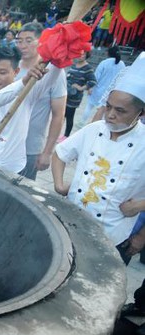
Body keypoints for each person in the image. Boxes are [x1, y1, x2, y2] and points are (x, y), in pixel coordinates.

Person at [52, 65, 144, 266]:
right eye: (109, 106)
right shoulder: (94, 129)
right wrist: (59, 184)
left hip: (113, 235)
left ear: (140, 113)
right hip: (71, 222)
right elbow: (60, 154)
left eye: (120, 111)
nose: (110, 115)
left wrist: (139, 206)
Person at [0, 46, 63, 174]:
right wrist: (23, 82)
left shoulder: (28, 93)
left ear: (16, 71)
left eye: (2, 72)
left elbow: (53, 74)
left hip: (13, 167)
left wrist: (61, 47)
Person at [15, 22, 66, 180]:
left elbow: (59, 114)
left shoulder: (54, 71)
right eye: (19, 40)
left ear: (41, 42)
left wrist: (47, 152)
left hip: (30, 148)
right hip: (5, 142)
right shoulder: (12, 66)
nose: (23, 45)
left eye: (29, 40)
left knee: (22, 192)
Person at [82, 46, 125, 125]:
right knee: (104, 110)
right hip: (110, 92)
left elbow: (96, 77)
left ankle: (82, 123)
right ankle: (98, 126)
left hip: (98, 89)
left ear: (108, 53)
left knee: (89, 106)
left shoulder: (104, 63)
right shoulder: (122, 64)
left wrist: (90, 87)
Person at [63, 51, 96, 138]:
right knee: (63, 114)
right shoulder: (74, 65)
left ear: (87, 55)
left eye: (83, 54)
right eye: (79, 53)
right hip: (67, 93)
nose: (81, 56)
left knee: (70, 116)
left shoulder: (88, 68)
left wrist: (81, 88)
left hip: (75, 97)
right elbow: (69, 76)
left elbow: (93, 81)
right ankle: (59, 132)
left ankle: (66, 136)